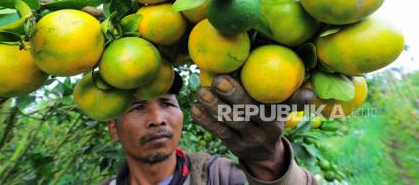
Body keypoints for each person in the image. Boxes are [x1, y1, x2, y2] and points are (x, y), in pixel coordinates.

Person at [102, 73, 317, 185]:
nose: (157, 119)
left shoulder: (219, 175)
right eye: (139, 108)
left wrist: (269, 162)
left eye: (167, 104)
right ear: (114, 128)